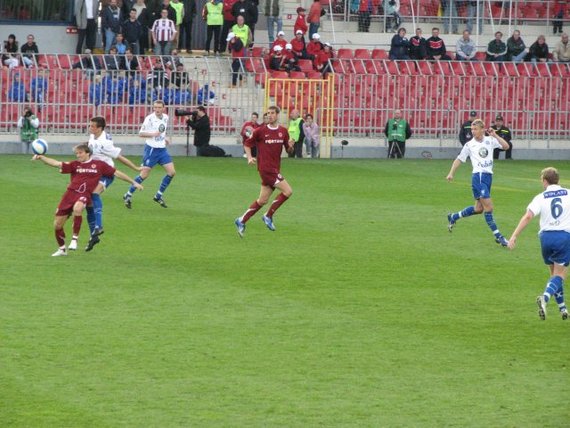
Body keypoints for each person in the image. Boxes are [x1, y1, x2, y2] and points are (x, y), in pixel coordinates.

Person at [33, 143, 143, 257]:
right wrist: (41, 157)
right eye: (76, 153)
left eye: (80, 153)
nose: (78, 155)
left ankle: (74, 239)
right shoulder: (74, 165)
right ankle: (62, 249)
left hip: (84, 194)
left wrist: (134, 182)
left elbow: (117, 173)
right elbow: (56, 163)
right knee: (57, 225)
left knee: (78, 208)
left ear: (88, 153)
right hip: (69, 195)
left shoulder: (99, 165)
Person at [507, 167, 570, 321]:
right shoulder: (568, 193)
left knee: (553, 275)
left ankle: (563, 309)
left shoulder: (540, 197)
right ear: (558, 180)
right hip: (563, 237)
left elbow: (528, 216)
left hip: (545, 238)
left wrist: (514, 236)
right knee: (561, 274)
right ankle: (545, 298)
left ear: (544, 181)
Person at [446, 118, 510, 247]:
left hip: (488, 177)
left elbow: (506, 146)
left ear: (482, 129)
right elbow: (459, 159)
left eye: (475, 129)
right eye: (472, 129)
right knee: (489, 207)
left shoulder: (490, 140)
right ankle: (499, 236)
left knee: (478, 209)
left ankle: (454, 216)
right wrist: (451, 173)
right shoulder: (469, 145)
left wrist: (495, 135)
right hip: (478, 177)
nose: (473, 132)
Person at [234, 105, 295, 237]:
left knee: (262, 201)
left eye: (273, 113)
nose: (270, 115)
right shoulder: (260, 131)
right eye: (268, 113)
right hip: (266, 169)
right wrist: (249, 158)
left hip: (275, 168)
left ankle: (241, 220)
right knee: (288, 191)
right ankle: (268, 215)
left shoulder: (283, 131)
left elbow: (289, 151)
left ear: (278, 115)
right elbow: (247, 144)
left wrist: (290, 146)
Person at [85, 116, 142, 250]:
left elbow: (119, 158)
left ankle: (99, 226)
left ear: (99, 128)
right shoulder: (94, 137)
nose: (90, 128)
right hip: (92, 172)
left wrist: (135, 168)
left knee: (94, 193)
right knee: (87, 204)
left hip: (105, 173)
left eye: (92, 126)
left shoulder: (105, 143)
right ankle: (94, 235)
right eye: (90, 125)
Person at [123, 100, 175, 209]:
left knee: (171, 172)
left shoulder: (165, 117)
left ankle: (158, 195)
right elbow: (141, 133)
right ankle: (128, 194)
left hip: (162, 150)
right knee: (144, 174)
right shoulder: (149, 119)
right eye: (155, 107)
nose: (157, 109)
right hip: (151, 150)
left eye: (159, 107)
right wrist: (153, 134)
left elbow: (161, 131)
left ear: (163, 108)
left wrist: (164, 138)